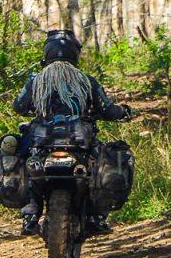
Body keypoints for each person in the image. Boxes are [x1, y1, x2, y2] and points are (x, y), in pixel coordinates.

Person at [11, 30, 131, 237]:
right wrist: (124, 111)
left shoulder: (36, 80)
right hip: (79, 141)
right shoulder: (86, 80)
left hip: (42, 141)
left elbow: (18, 106)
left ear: (47, 52)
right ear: (75, 53)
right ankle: (96, 216)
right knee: (101, 163)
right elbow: (108, 109)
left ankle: (30, 216)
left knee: (25, 163)